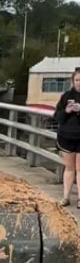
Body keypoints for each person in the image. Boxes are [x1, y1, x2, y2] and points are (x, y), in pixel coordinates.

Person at [57, 68, 80, 207]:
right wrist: (67, 110)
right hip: (67, 136)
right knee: (69, 168)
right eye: (77, 80)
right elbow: (58, 117)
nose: (79, 83)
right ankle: (66, 197)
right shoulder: (65, 96)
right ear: (73, 81)